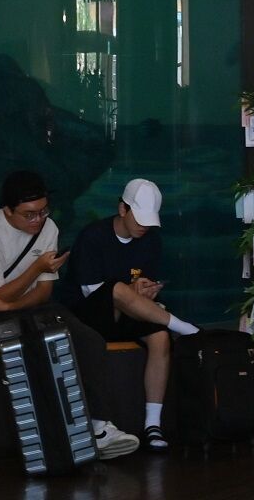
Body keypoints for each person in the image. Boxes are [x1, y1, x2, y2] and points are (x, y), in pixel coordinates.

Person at [0, 169, 140, 460]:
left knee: (89, 340)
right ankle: (55, 438)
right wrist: (36, 269)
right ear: (7, 210)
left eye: (43, 211)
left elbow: (43, 293)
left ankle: (99, 428)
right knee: (37, 347)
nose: (37, 220)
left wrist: (11, 306)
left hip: (27, 309)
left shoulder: (49, 228)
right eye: (29, 214)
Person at [60, 178, 198, 451]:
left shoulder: (151, 240)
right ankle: (185, 328)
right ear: (122, 209)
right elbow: (91, 291)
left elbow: (142, 285)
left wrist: (145, 291)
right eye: (139, 219)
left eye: (149, 221)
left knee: (159, 338)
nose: (144, 226)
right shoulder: (93, 236)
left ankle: (153, 424)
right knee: (116, 289)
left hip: (128, 312)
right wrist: (130, 291)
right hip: (88, 316)